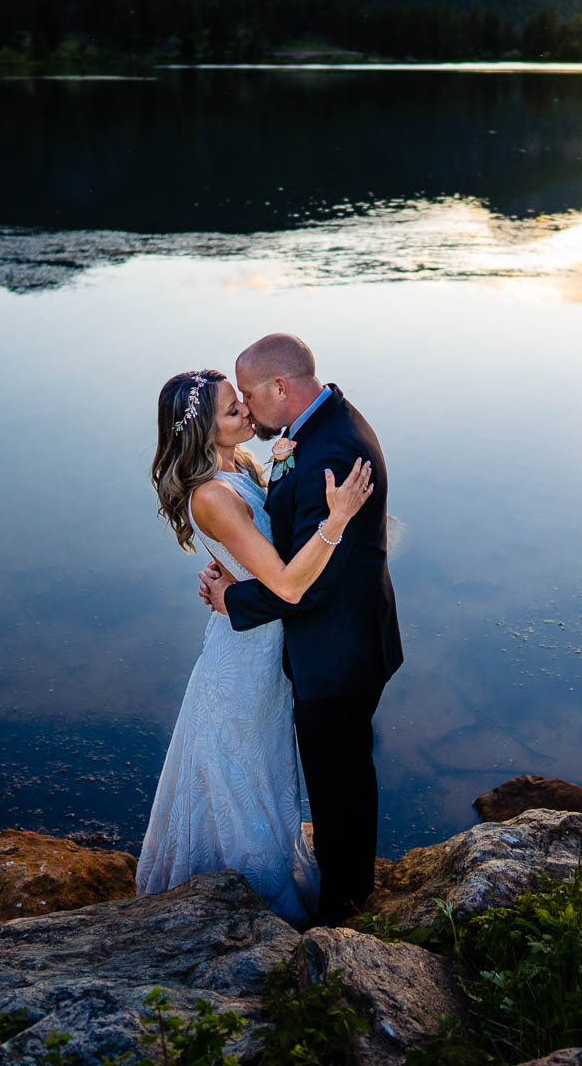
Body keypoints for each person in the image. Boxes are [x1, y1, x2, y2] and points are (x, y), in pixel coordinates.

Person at [136, 367, 374, 928]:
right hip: (243, 662)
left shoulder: (240, 466)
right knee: (239, 781)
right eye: (231, 410)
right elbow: (288, 584)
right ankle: (252, 904)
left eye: (240, 400)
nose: (246, 409)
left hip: (267, 646)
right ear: (203, 433)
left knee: (266, 772)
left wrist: (279, 470)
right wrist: (337, 520)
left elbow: (265, 541)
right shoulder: (213, 497)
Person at [200, 334, 402, 925]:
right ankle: (349, 891)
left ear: (280, 389)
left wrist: (234, 598)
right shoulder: (317, 427)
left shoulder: (330, 451)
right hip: (340, 639)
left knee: (338, 788)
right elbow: (287, 540)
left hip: (337, 652)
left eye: (247, 395)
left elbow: (305, 584)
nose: (243, 406)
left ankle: (346, 912)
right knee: (341, 778)